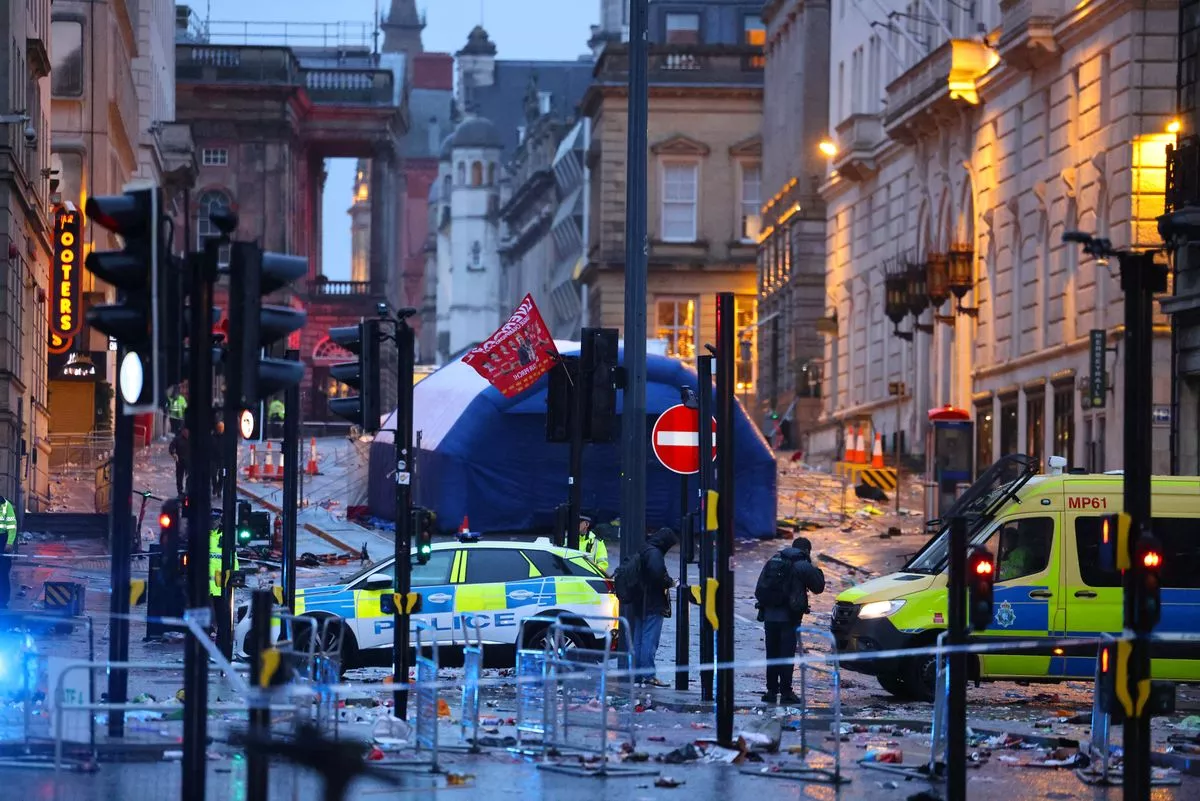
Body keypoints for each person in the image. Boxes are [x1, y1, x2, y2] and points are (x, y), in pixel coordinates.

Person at [754, 536, 825, 705]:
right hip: (789, 618)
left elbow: (760, 588)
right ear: (807, 551)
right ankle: (786, 692)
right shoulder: (803, 565)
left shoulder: (774, 559)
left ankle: (771, 691)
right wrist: (816, 567)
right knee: (786, 655)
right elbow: (819, 587)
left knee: (772, 654)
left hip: (770, 617)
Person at [628, 527, 678, 688]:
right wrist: (669, 582)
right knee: (650, 639)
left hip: (639, 601)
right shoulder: (655, 553)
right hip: (652, 602)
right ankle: (648, 675)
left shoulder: (644, 549)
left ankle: (636, 674)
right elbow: (657, 575)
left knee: (639, 639)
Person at [0, 493, 16, 609]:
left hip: (2, 540)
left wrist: (9, 542)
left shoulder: (6, 505)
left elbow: (11, 526)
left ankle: (3, 600)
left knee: (3, 572)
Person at [169, 428, 190, 497]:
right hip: (180, 461)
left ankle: (187, 490)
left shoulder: (192, 439)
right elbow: (171, 447)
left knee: (189, 476)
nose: (186, 433)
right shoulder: (177, 439)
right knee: (179, 477)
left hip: (189, 461)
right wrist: (174, 454)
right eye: (185, 431)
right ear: (183, 431)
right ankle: (180, 491)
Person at [210, 421, 225, 499]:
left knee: (222, 475)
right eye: (219, 428)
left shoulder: (225, 437)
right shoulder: (213, 437)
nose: (220, 429)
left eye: (222, 428)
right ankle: (215, 487)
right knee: (213, 474)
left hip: (222, 459)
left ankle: (219, 489)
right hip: (213, 458)